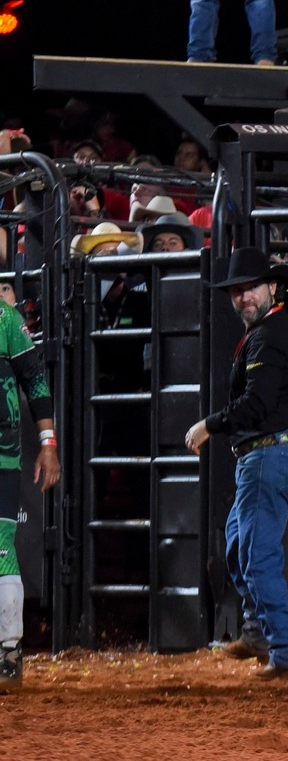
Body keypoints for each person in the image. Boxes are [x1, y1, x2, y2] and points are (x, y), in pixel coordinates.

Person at [185, 247, 288, 680]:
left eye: (250, 289)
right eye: (237, 291)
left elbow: (255, 404)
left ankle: (286, 651)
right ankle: (260, 631)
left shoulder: (267, 335)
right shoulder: (278, 330)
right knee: (240, 549)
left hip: (270, 453)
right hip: (279, 451)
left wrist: (210, 424)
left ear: (272, 287)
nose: (243, 297)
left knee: (255, 555)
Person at [0, 296, 61, 690]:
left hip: (2, 455)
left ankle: (8, 650)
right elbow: (35, 379)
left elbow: (35, 379)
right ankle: (8, 653)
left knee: (1, 545)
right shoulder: (6, 318)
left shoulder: (5, 319)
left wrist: (48, 442)